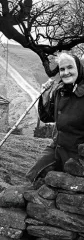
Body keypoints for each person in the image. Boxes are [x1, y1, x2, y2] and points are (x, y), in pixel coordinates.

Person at [26, 52, 84, 183]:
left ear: (79, 69)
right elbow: (47, 118)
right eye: (62, 69)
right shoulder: (60, 91)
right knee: (33, 178)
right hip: (57, 148)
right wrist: (46, 95)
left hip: (77, 155)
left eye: (70, 67)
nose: (66, 72)